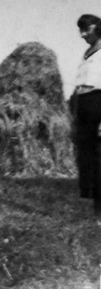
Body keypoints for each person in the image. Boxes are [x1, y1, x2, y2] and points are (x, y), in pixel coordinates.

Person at [72, 14, 101, 218]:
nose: (82, 34)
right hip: (84, 104)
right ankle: (95, 211)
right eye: (80, 29)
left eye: (86, 29)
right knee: (87, 158)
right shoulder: (87, 54)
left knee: (99, 160)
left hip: (99, 104)